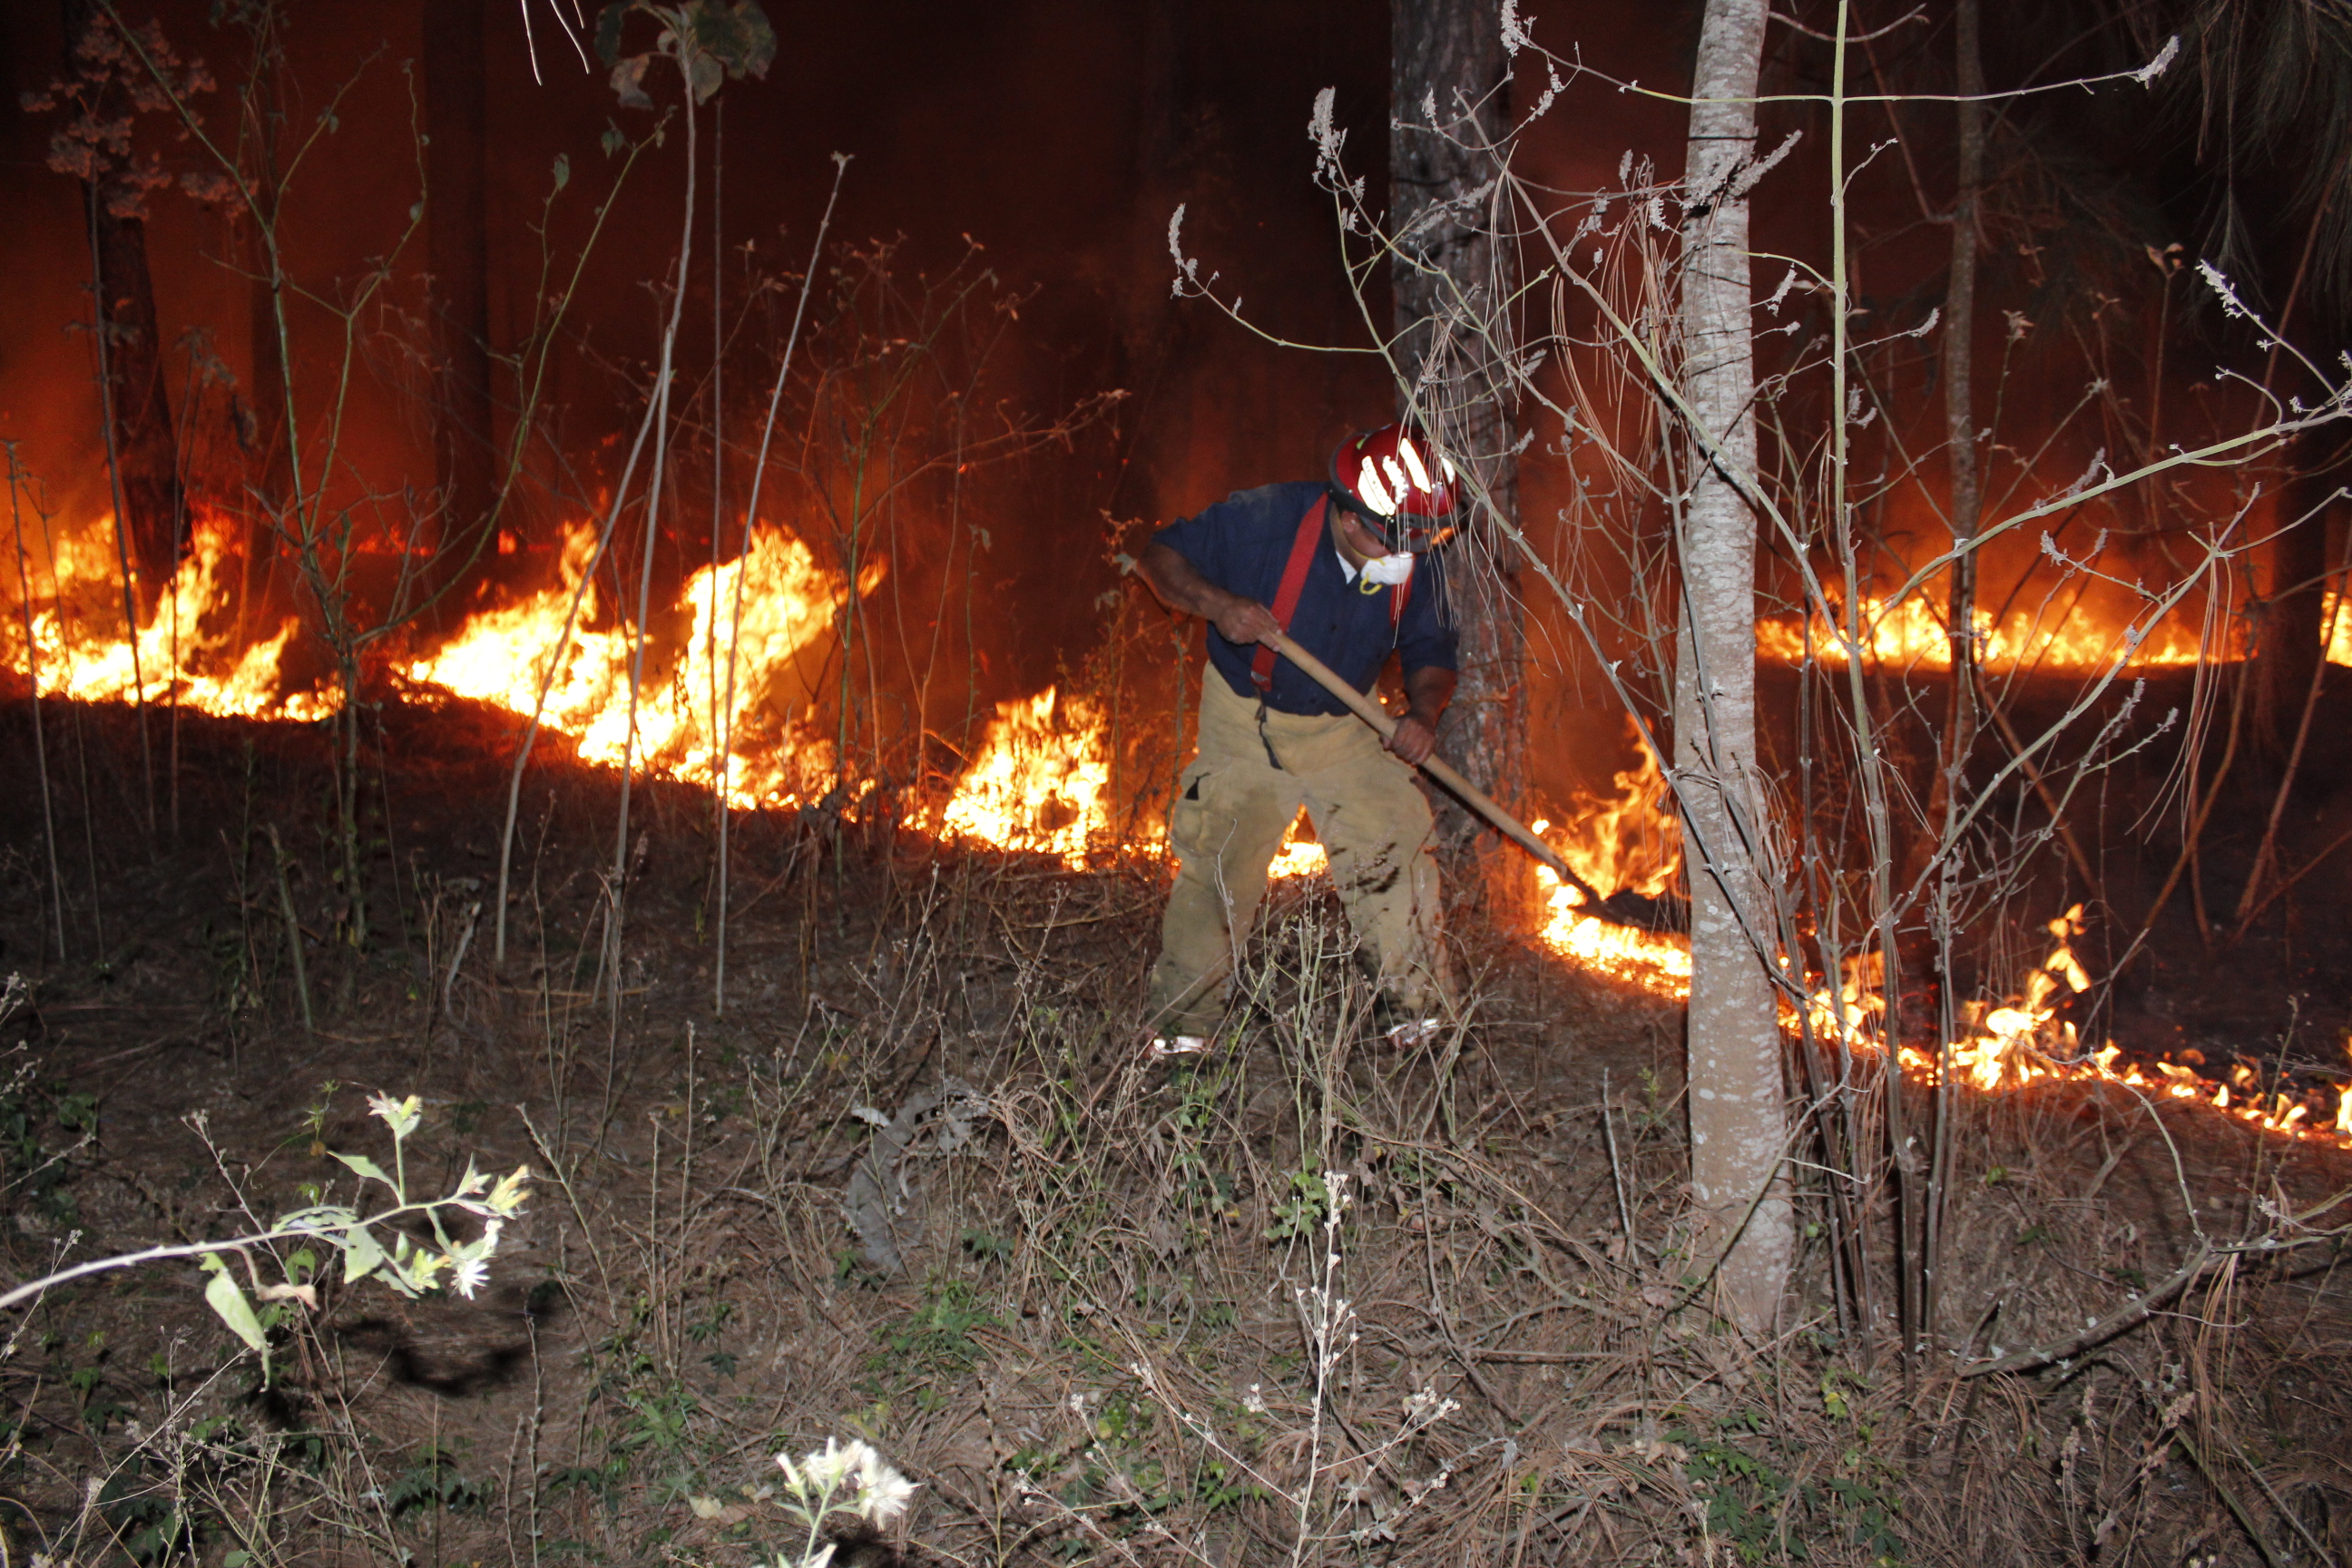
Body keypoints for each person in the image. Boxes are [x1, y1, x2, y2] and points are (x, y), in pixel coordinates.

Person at [1136, 423, 1462, 1053]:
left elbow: (1432, 649)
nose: (1409, 553)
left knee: (1393, 842)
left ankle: (1418, 1021)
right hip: (1245, 723)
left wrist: (1422, 714)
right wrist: (1217, 605)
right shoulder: (1267, 520)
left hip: (1348, 725)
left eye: (1421, 538)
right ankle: (1182, 1036)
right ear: (1348, 516)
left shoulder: (1413, 558)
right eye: (1396, 538)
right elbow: (1159, 557)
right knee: (1219, 871)